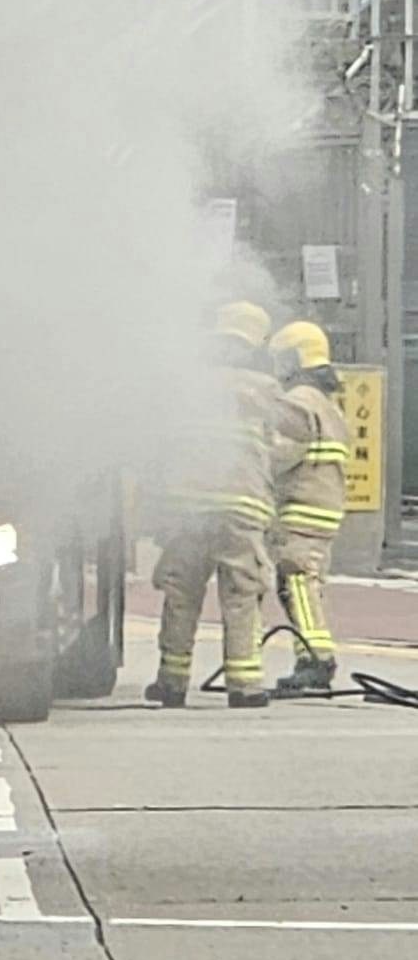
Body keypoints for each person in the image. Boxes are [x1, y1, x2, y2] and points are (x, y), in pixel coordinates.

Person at [146, 301, 279, 710]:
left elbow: (159, 443)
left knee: (181, 594)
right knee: (241, 595)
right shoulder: (263, 389)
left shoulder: (186, 385)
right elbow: (286, 441)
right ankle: (245, 686)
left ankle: (171, 682)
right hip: (242, 509)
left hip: (187, 511)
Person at [268, 320, 349, 695]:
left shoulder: (298, 401)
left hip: (301, 507)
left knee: (296, 581)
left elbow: (280, 454)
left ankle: (316, 660)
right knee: (306, 585)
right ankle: (312, 656)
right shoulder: (326, 404)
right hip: (323, 508)